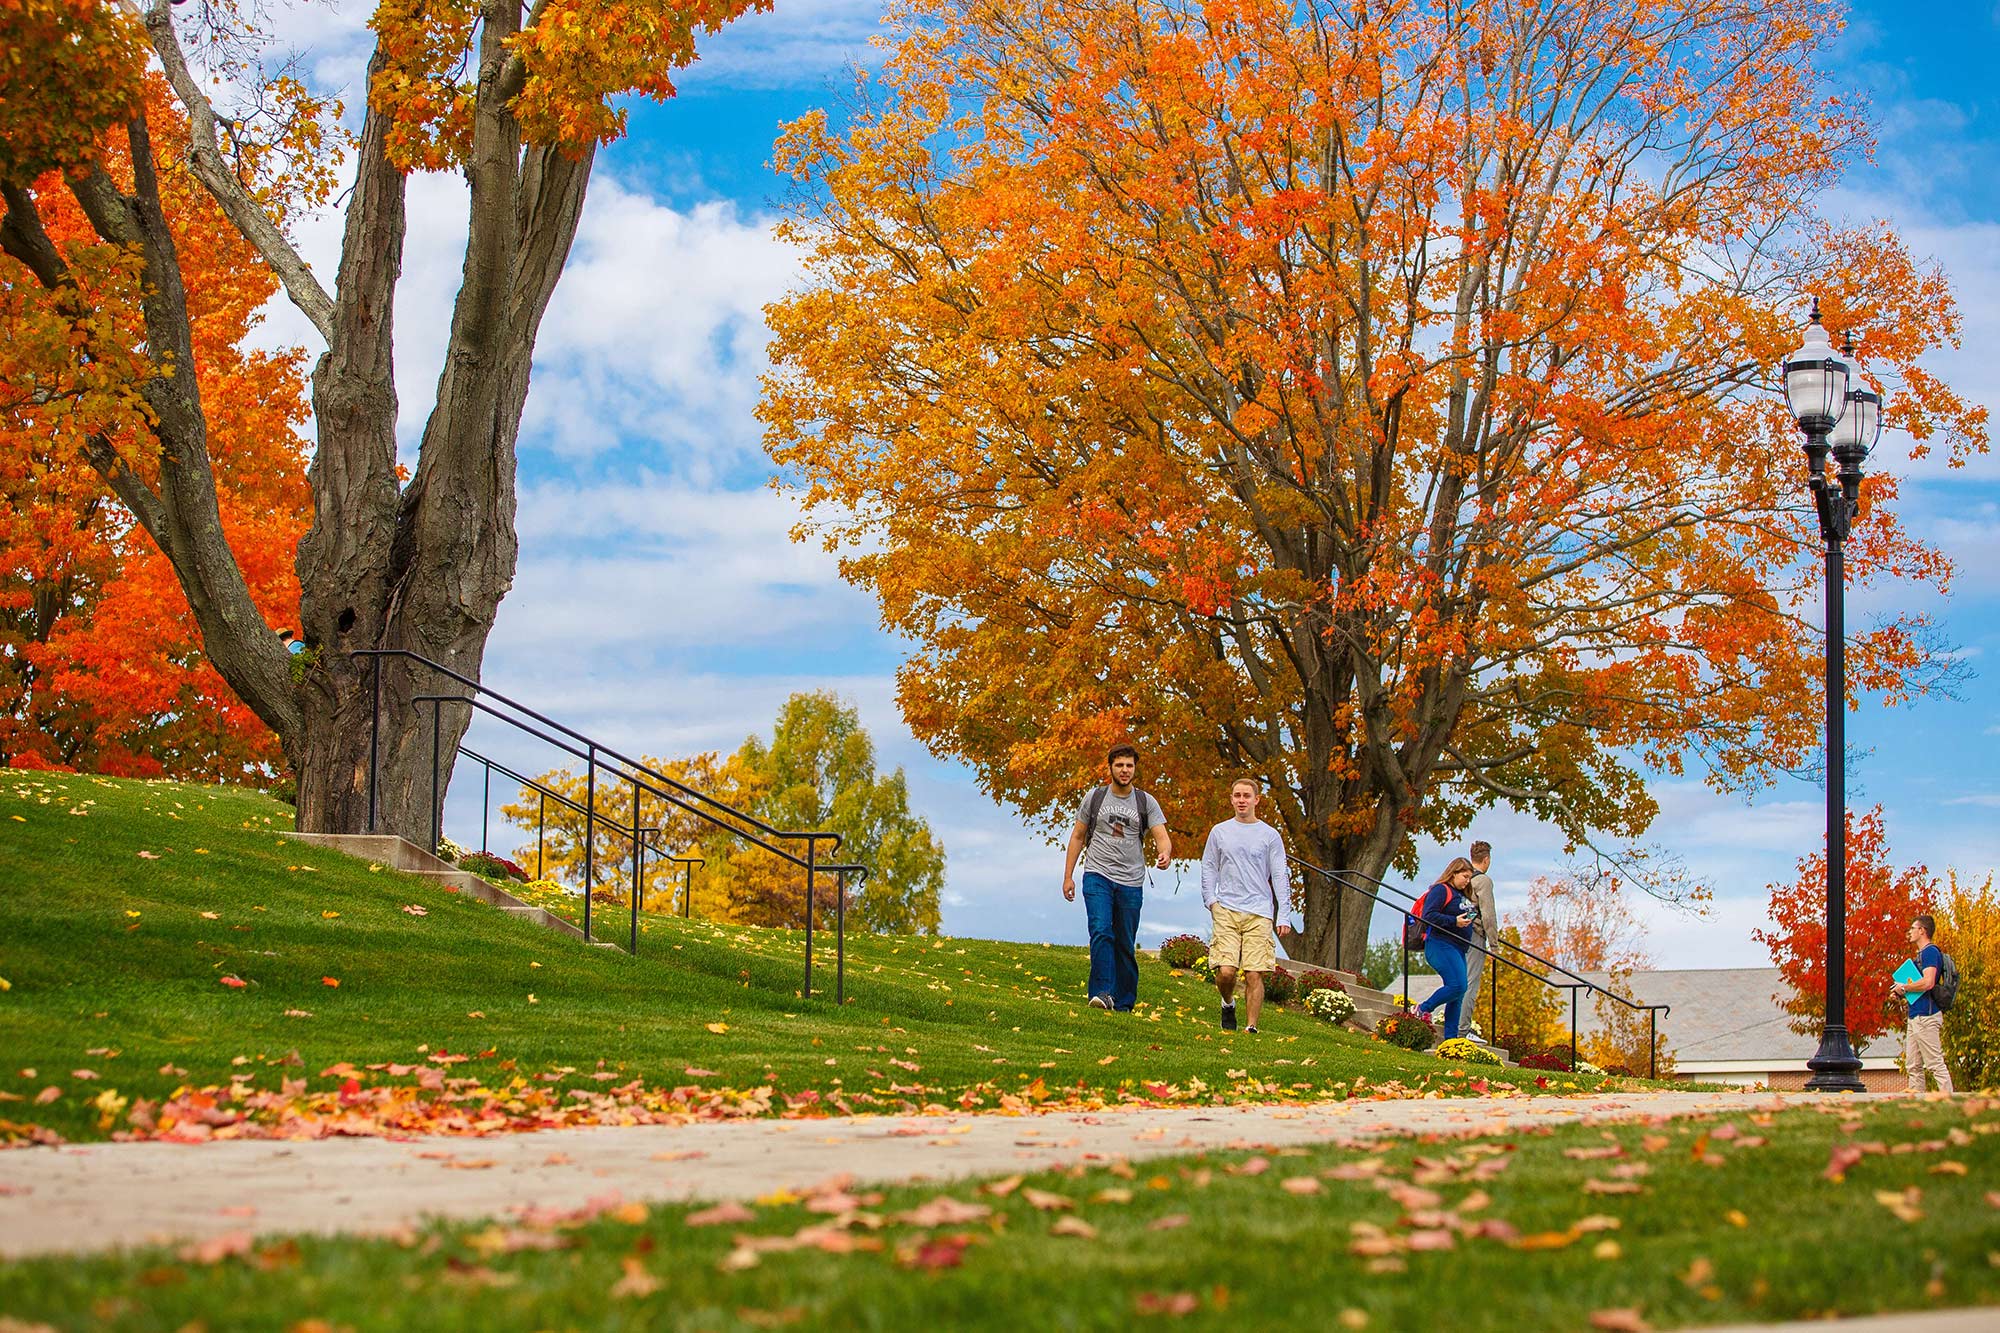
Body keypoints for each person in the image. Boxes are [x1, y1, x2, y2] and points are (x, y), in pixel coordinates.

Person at [1061, 744, 1171, 1011]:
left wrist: (1165, 854)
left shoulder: (1146, 802)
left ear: (1135, 769)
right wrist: (1068, 877)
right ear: (1110, 767)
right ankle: (1101, 993)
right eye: (1120, 765)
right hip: (1097, 873)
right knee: (1100, 931)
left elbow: (1162, 836)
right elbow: (1077, 836)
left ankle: (1123, 1002)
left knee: (1124, 941)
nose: (1125, 770)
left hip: (1131, 881)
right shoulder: (1095, 797)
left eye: (1129, 765)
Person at [1200, 777, 1295, 1034]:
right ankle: (1227, 1002)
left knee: (1254, 973)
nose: (1242, 800)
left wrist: (1283, 915)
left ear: (1256, 800)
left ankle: (1251, 1027)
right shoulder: (1220, 832)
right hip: (1227, 908)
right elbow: (1209, 866)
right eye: (1237, 795)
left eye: (1246, 796)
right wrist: (1211, 900)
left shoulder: (1269, 835)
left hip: (1259, 911)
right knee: (1227, 972)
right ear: (1231, 799)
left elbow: (1279, 875)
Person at [1415, 858, 1478, 1040]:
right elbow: (1429, 915)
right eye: (1465, 876)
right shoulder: (1441, 890)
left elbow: (1466, 913)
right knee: (1458, 985)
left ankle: (1451, 1039)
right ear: (1454, 873)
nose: (1467, 881)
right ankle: (1423, 1008)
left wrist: (1472, 914)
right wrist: (1454, 921)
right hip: (1440, 944)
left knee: (1458, 994)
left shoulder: (1462, 895)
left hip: (1459, 947)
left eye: (1469, 878)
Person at [1896, 914, 1954, 1094]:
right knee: (1913, 1065)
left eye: (1913, 928)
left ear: (1922, 931)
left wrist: (1904, 988)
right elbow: (1919, 986)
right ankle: (1918, 1104)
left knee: (1935, 1063)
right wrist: (1900, 993)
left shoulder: (1930, 952)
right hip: (1915, 1015)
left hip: (1927, 1016)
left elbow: (1928, 982)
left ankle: (1948, 1101)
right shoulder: (1919, 957)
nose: (1910, 932)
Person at [1461, 840, 1497, 1010]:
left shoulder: (1463, 879)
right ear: (1486, 860)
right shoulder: (1483, 881)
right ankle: (1462, 1028)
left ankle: (1454, 1024)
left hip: (1459, 932)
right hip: (1474, 934)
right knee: (1471, 982)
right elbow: (1488, 915)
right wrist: (1494, 946)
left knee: (1459, 980)